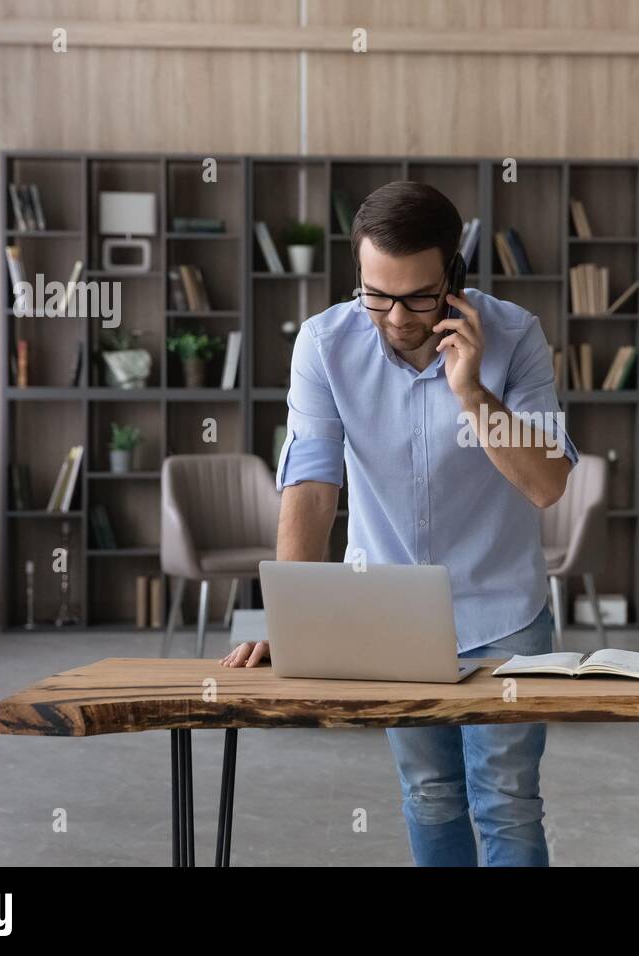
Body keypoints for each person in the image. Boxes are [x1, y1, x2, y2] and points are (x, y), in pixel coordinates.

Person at [221, 180, 578, 866]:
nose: (394, 316)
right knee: (431, 794)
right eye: (375, 293)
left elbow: (546, 483)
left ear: (455, 275)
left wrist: (472, 391)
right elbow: (312, 488)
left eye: (417, 296)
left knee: (505, 799)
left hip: (504, 611)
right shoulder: (324, 345)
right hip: (390, 616)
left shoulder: (516, 336)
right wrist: (288, 624)